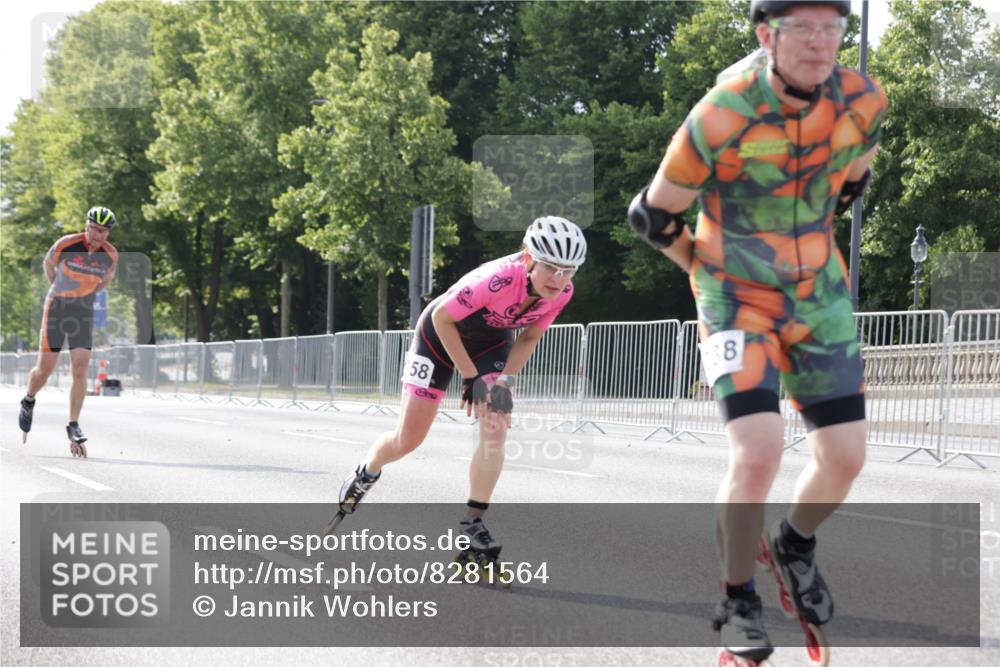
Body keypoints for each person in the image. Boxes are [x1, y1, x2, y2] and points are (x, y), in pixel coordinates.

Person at [627, 0, 886, 662]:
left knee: (848, 455)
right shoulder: (722, 112)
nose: (821, 42)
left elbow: (854, 180)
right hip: (734, 296)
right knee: (759, 449)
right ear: (768, 34)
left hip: (817, 297)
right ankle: (737, 596)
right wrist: (700, 265)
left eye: (833, 27)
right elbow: (652, 214)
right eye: (803, 27)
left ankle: (792, 542)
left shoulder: (861, 100)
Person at [332, 217, 586, 563]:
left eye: (568, 271)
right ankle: (368, 470)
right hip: (439, 337)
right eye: (551, 268)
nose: (559, 279)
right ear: (528, 259)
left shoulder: (562, 293)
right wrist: (470, 377)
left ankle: (472, 525)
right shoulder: (496, 280)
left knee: (495, 425)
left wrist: (505, 382)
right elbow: (442, 319)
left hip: (491, 343)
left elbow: (529, 336)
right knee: (408, 440)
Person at [18, 206, 119, 457]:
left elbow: (106, 280)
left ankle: (73, 424)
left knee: (81, 366)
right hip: (56, 307)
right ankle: (29, 398)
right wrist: (58, 286)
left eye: (103, 231)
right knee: (45, 369)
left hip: (83, 310)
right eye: (95, 229)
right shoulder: (67, 244)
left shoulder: (110, 254)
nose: (98, 235)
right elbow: (48, 264)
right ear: (87, 226)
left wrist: (87, 293)